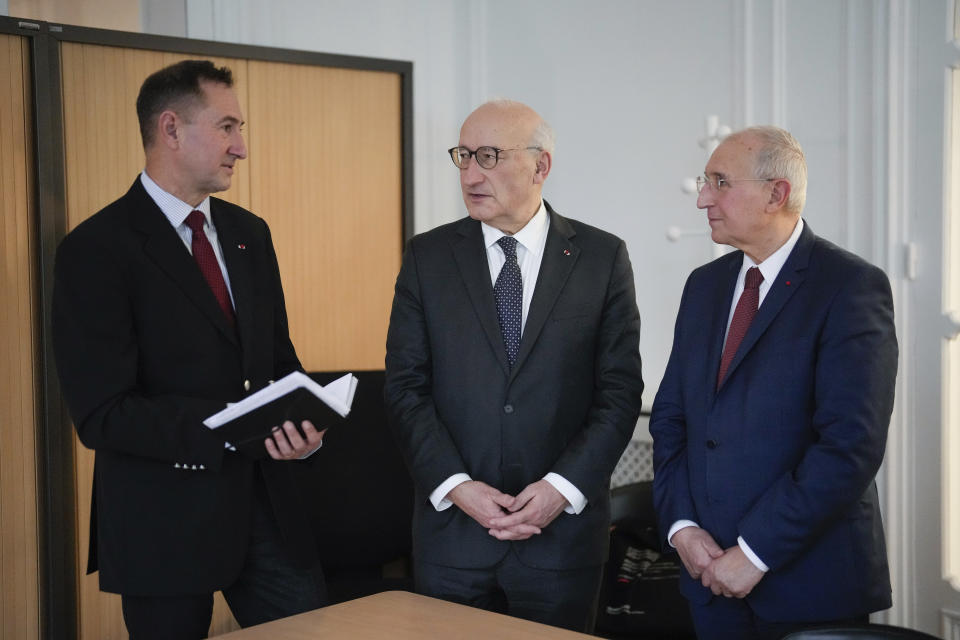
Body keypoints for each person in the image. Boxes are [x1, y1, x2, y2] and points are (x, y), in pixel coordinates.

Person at [52, 60, 328, 639]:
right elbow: (102, 414)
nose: (242, 147)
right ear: (172, 128)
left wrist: (304, 420)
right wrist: (231, 427)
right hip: (161, 523)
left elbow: (279, 363)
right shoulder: (96, 249)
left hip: (268, 509)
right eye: (227, 127)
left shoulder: (252, 233)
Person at [383, 99, 644, 632]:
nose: (471, 174)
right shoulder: (427, 257)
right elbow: (406, 388)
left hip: (562, 542)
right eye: (463, 156)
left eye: (489, 156)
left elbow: (618, 393)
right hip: (453, 539)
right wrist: (456, 486)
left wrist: (561, 489)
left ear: (540, 166)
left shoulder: (601, 257)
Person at [650, 126, 898, 640]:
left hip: (809, 585)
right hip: (707, 577)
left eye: (720, 182)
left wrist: (755, 553)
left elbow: (849, 447)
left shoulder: (849, 286)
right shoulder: (704, 286)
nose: (702, 199)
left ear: (776, 193)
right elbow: (672, 418)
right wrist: (682, 529)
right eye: (705, 182)